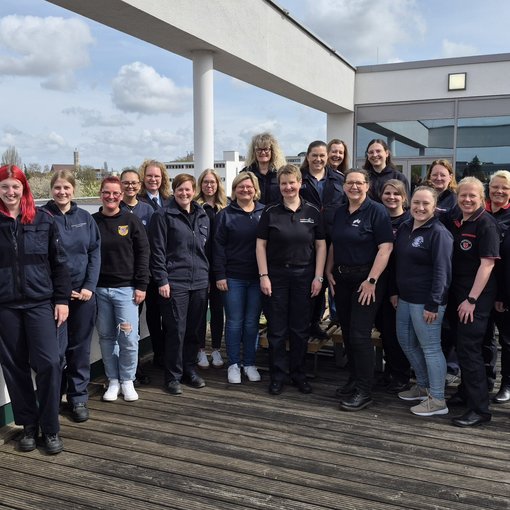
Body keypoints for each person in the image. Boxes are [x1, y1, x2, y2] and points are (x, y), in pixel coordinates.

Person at [0, 164, 71, 454]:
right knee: (14, 366)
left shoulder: (43, 220)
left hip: (40, 303)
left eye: (15, 186)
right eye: (4, 186)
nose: (10, 191)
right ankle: (28, 425)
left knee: (50, 363)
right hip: (6, 306)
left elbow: (60, 263)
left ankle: (50, 427)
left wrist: (62, 300)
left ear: (24, 188)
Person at [325, 168, 393, 411]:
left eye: (359, 183)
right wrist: (328, 270)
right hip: (342, 279)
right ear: (344, 187)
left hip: (367, 281)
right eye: (350, 183)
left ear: (367, 185)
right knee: (347, 332)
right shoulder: (340, 212)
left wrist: (372, 280)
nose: (354, 187)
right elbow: (334, 243)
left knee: (359, 334)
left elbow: (386, 248)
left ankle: (364, 390)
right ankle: (354, 379)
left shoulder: (376, 211)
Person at [256, 164, 327, 395]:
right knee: (277, 329)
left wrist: (318, 276)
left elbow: (321, 246)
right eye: (283, 183)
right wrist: (264, 276)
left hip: (304, 275)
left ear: (300, 183)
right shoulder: (270, 211)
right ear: (279, 186)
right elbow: (260, 245)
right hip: (276, 275)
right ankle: (278, 376)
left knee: (299, 329)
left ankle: (298, 374)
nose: (288, 187)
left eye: (292, 183)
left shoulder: (313, 211)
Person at [43, 169, 101, 423]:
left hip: (84, 297)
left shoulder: (85, 218)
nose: (62, 192)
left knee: (80, 350)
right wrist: (60, 291)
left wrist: (89, 286)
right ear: (51, 190)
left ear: (73, 190)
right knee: (55, 353)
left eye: (66, 187)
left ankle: (78, 398)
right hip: (55, 298)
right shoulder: (42, 218)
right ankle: (53, 398)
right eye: (57, 187)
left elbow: (95, 252)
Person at [392, 185, 453, 416]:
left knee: (430, 348)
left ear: (434, 206)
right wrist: (394, 291)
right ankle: (423, 385)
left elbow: (442, 272)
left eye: (426, 203)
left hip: (426, 302)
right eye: (416, 202)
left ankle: (437, 399)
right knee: (406, 342)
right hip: (405, 299)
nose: (420, 207)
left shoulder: (438, 233)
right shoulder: (405, 227)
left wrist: (434, 303)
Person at [444, 177, 500, 427]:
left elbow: (487, 265)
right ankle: (466, 392)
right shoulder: (458, 220)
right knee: (461, 344)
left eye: (472, 196)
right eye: (463, 195)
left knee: (469, 349)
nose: (467, 200)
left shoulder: (486, 223)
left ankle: (480, 409)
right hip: (458, 294)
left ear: (482, 198)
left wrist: (472, 299)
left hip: (475, 297)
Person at [149, 174, 210, 395]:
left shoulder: (202, 215)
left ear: (194, 191)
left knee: (194, 330)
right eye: (180, 189)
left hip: (199, 281)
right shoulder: (162, 215)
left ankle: (189, 369)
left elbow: (205, 249)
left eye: (188, 189)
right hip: (175, 282)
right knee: (176, 330)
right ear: (173, 191)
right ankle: (173, 376)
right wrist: (162, 279)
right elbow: (157, 251)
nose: (184, 193)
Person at [93, 176, 150, 403]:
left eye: (115, 193)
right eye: (107, 192)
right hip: (99, 290)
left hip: (126, 290)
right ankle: (113, 380)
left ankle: (127, 379)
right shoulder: (92, 221)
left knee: (128, 338)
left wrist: (141, 285)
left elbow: (143, 253)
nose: (111, 197)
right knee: (107, 337)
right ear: (101, 194)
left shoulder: (131, 220)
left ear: (121, 195)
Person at [214, 172, 265, 383]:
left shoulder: (265, 212)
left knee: (252, 322)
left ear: (255, 189)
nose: (245, 190)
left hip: (258, 277)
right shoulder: (225, 215)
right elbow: (218, 247)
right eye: (240, 187)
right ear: (234, 190)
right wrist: (220, 275)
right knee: (234, 322)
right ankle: (234, 364)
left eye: (249, 186)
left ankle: (250, 363)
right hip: (233, 277)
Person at [300, 140, 345, 339]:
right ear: (308, 157)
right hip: (305, 237)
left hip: (332, 238)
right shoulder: (299, 178)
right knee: (308, 282)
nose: (318, 159)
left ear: (327, 157)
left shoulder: (339, 179)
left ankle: (317, 322)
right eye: (314, 155)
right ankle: (305, 323)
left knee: (326, 282)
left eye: (322, 156)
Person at [120, 169, 154, 386]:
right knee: (124, 327)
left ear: (139, 185)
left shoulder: (147, 210)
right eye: (126, 183)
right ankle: (125, 370)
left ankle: (135, 367)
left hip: (142, 276)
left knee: (136, 325)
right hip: (120, 277)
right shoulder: (115, 207)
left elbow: (151, 244)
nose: (130, 186)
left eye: (134, 183)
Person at [377, 179, 411, 393]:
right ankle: (389, 370)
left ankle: (402, 374)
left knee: (399, 333)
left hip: (400, 285)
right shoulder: (378, 218)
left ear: (404, 197)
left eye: (396, 194)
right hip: (379, 282)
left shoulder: (410, 221)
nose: (391, 197)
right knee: (385, 331)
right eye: (387, 193)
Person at [138, 160, 171, 368]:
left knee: (168, 313)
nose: (153, 179)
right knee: (153, 313)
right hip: (147, 269)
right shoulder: (138, 202)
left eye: (157, 176)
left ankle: (169, 352)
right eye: (149, 176)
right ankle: (159, 353)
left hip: (168, 268)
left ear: (163, 178)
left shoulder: (169, 201)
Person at [195, 169, 228, 369]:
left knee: (217, 310)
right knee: (200, 311)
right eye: (206, 182)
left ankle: (215, 349)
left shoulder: (225, 207)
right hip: (201, 266)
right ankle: (200, 350)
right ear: (201, 184)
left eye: (212, 182)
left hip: (221, 267)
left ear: (218, 184)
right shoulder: (195, 207)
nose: (209, 185)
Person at [484, 170, 510, 402]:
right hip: (481, 288)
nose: (499, 191)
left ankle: (507, 384)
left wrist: (503, 294)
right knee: (484, 338)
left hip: (505, 289)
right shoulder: (480, 212)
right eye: (495, 187)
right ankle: (485, 381)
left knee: (507, 340)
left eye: (505, 188)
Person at [241, 132, 286, 205]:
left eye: (266, 149)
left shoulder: (281, 172)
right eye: (258, 149)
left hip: (276, 211)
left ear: (272, 151)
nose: (262, 153)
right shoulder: (246, 173)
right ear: (254, 152)